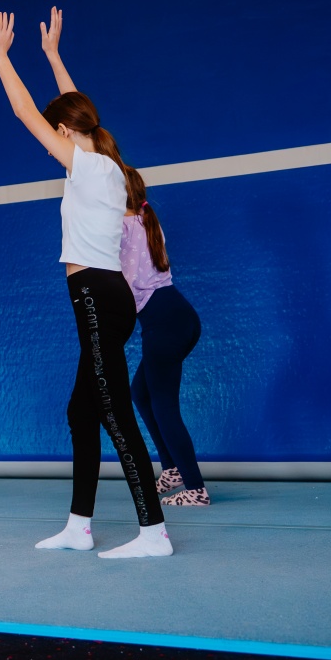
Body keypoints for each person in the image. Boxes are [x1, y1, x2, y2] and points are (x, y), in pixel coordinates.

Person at [0, 6, 171, 557]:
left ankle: (154, 533)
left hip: (95, 294)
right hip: (107, 296)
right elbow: (77, 109)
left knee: (113, 411)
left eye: (57, 133)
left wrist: (0, 57)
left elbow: (25, 111)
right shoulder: (104, 165)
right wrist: (52, 56)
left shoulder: (89, 168)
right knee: (81, 410)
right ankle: (79, 526)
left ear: (66, 133)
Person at [120, 168, 208, 506]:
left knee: (164, 405)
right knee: (141, 393)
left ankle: (195, 489)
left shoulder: (124, 226)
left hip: (164, 321)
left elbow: (123, 282)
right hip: (175, 315)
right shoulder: (145, 218)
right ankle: (172, 470)